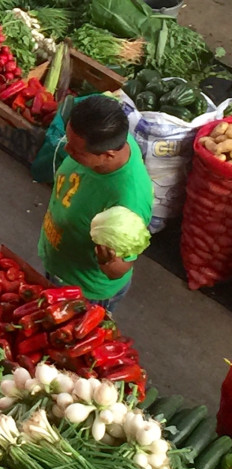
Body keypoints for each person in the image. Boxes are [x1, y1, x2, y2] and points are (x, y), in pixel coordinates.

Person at [38, 95, 153, 312]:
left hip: (84, 290)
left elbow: (119, 269)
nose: (66, 150)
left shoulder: (129, 201)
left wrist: (107, 260)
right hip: (59, 265)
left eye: (75, 151)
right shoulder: (110, 138)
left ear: (108, 155)